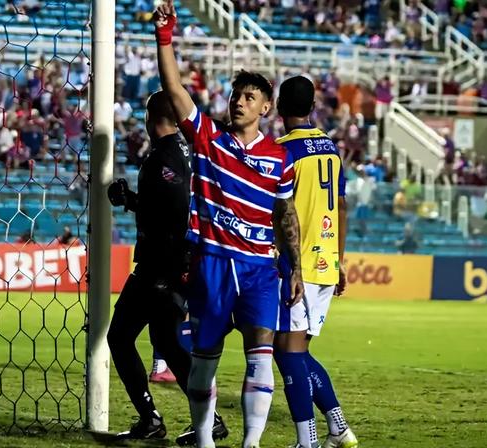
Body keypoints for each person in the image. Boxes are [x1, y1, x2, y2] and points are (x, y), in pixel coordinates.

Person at [154, 2, 305, 446]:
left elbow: (286, 216)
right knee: (205, 360)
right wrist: (165, 37)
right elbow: (175, 89)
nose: (239, 102)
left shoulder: (280, 159)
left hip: (260, 267)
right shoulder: (208, 138)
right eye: (237, 95)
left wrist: (293, 268)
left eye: (249, 97)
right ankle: (203, 439)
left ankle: (251, 443)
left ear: (265, 108)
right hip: (214, 263)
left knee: (261, 351)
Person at [106, 91, 228, 445]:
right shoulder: (191, 150)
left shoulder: (163, 156)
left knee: (120, 336)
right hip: (178, 263)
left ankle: (150, 419)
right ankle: (211, 421)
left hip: (161, 266)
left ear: (150, 118)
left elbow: (173, 211)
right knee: (168, 343)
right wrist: (131, 202)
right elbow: (168, 206)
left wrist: (175, 263)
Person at [273, 76, 358, 448]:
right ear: (311, 108)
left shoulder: (281, 150)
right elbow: (340, 207)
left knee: (288, 352)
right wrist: (339, 260)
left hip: (298, 263)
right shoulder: (331, 149)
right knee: (295, 349)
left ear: (278, 108)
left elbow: (280, 210)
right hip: (325, 261)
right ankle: (338, 428)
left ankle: (306, 440)